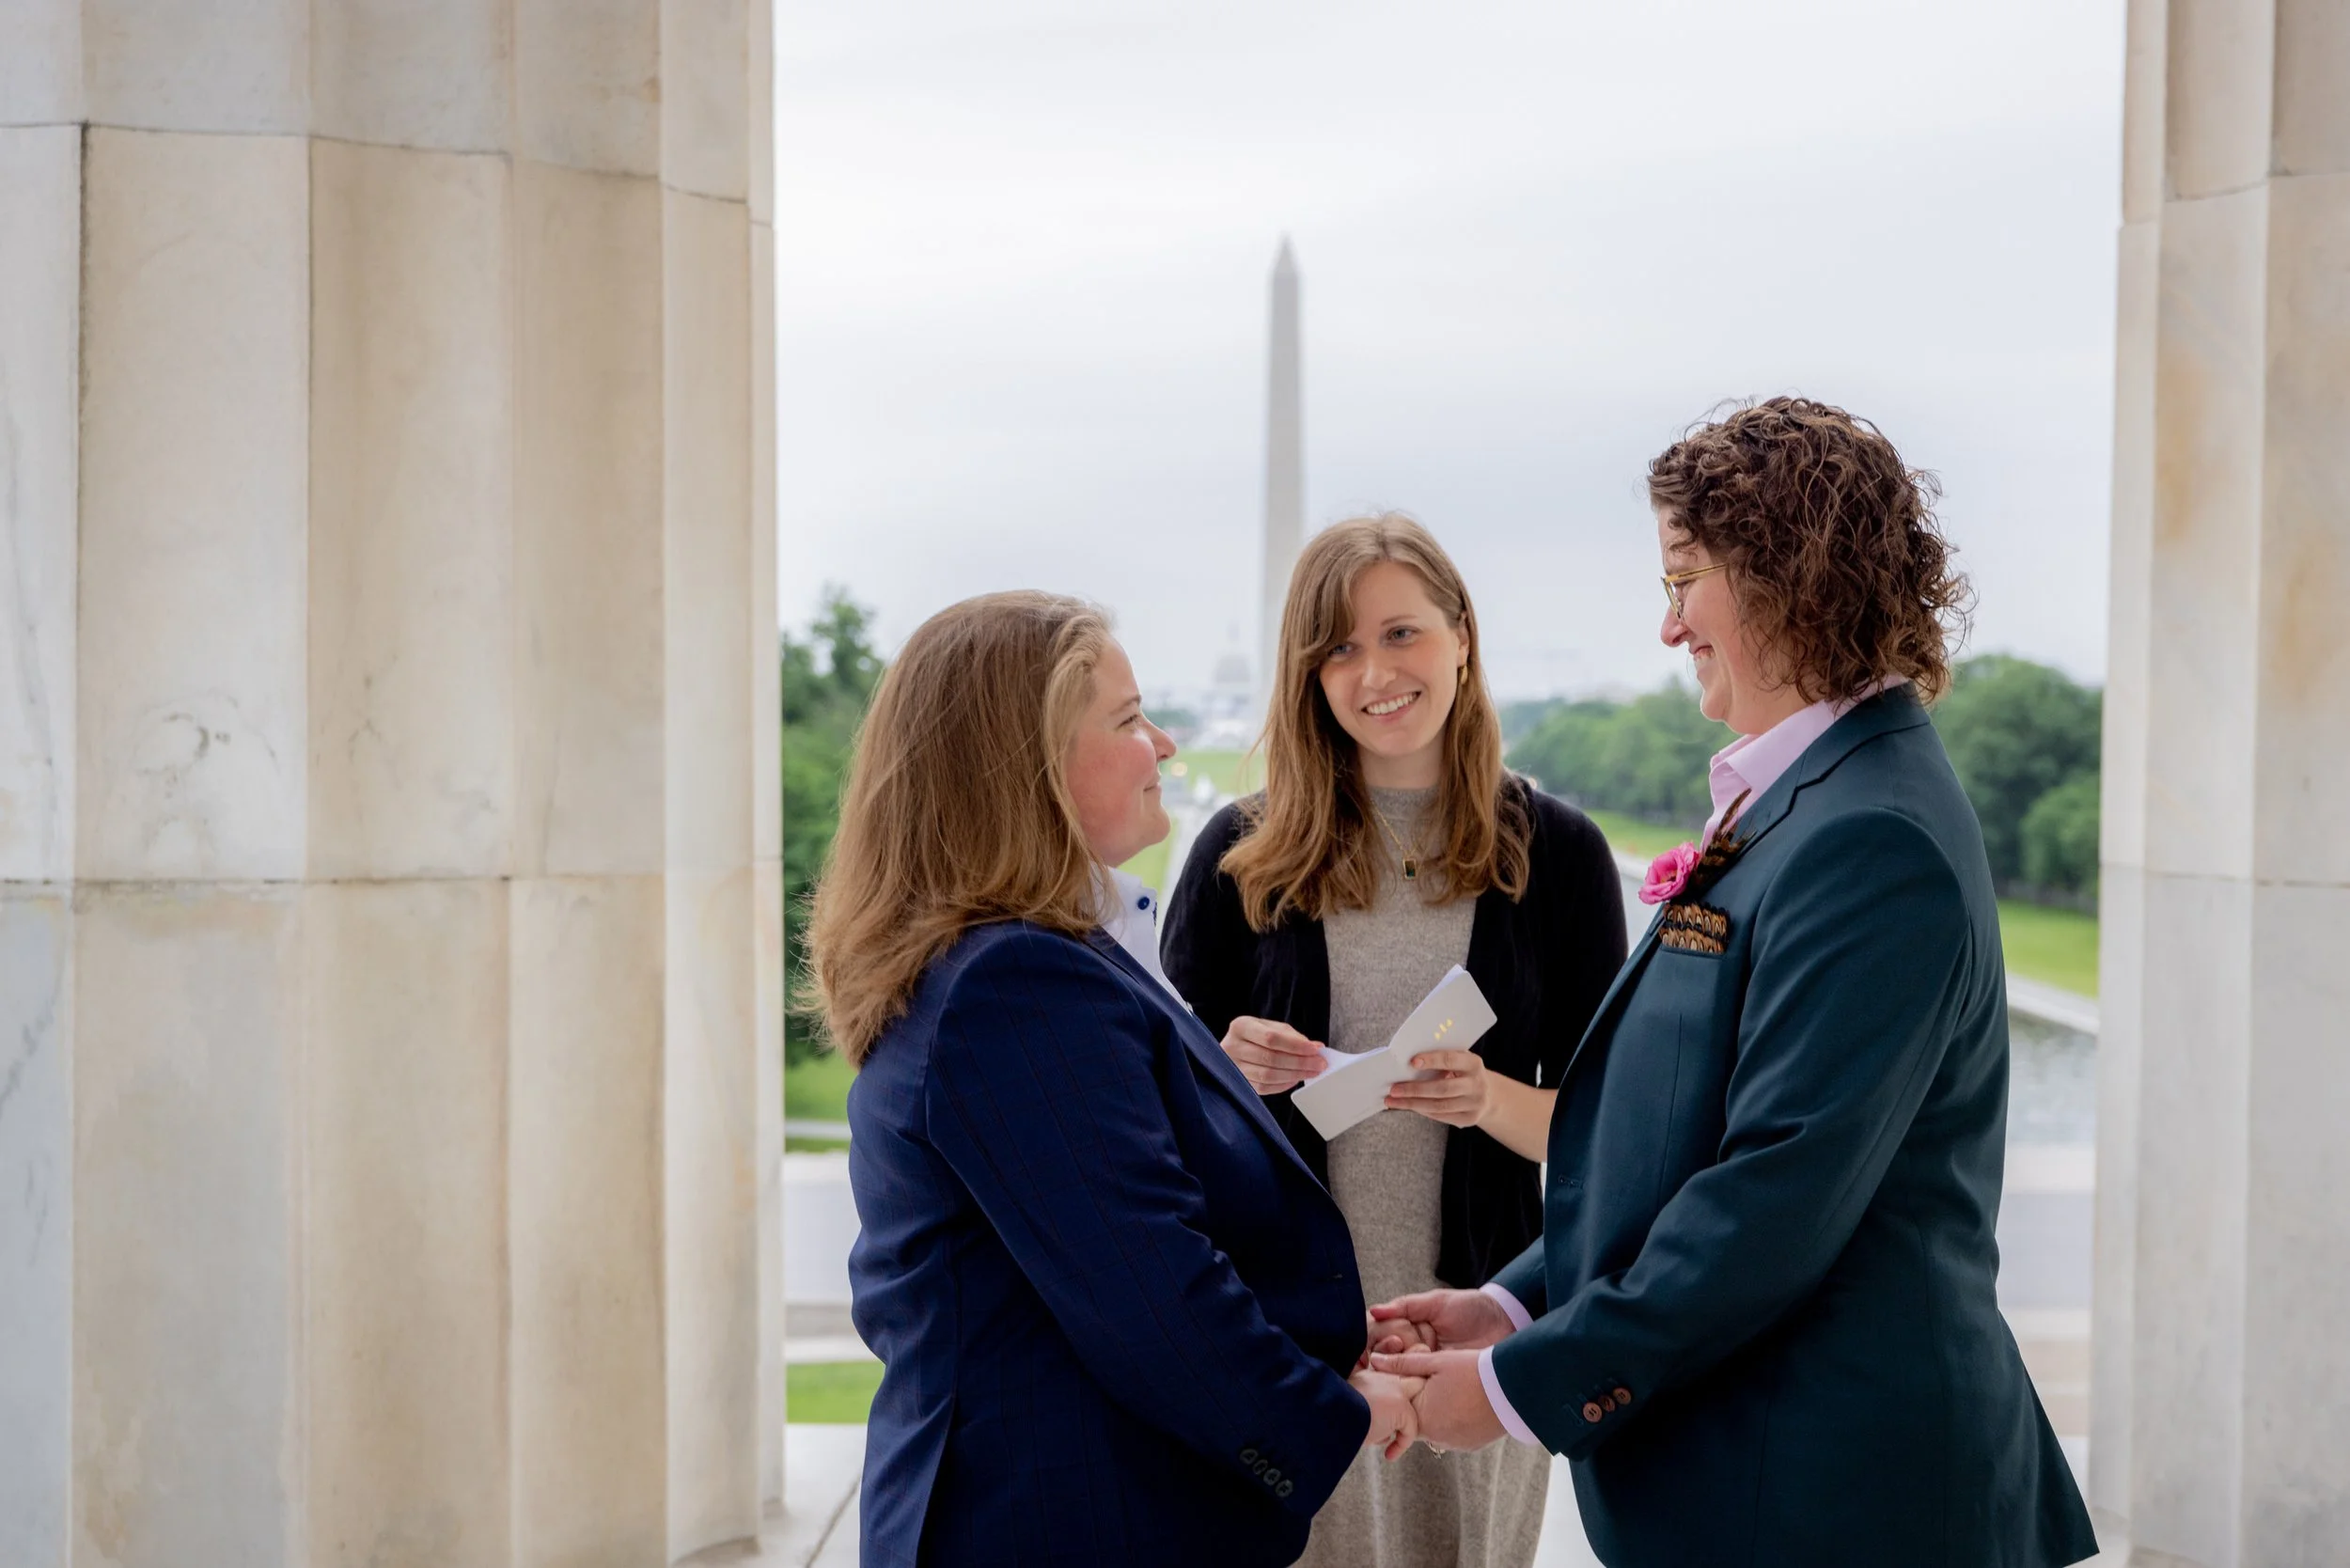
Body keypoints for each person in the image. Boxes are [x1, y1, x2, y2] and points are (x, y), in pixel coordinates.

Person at [1370, 399, 2099, 1566]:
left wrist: (1515, 1387)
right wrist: (1512, 1301)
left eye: (1685, 578)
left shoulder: (1875, 839)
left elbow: (1771, 1194)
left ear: (1784, 576)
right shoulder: (1810, 796)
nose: (1666, 625)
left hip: (1838, 1503)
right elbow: (1674, 1143)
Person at [806, 590, 1420, 1568]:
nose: (1166, 746)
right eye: (1129, 721)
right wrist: (1330, 1412)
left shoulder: (1016, 960)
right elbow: (1150, 1293)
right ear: (1029, 767)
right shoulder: (1016, 984)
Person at [1162, 516, 1627, 1568]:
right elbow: (1153, 1135)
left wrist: (1487, 1099)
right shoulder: (1239, 854)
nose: (1373, 671)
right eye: (1336, 647)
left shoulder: (1557, 856)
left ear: (1462, 637)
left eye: (1402, 633)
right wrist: (1224, 1076)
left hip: (1469, 1336)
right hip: (1286, 1342)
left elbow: (1614, 1138)